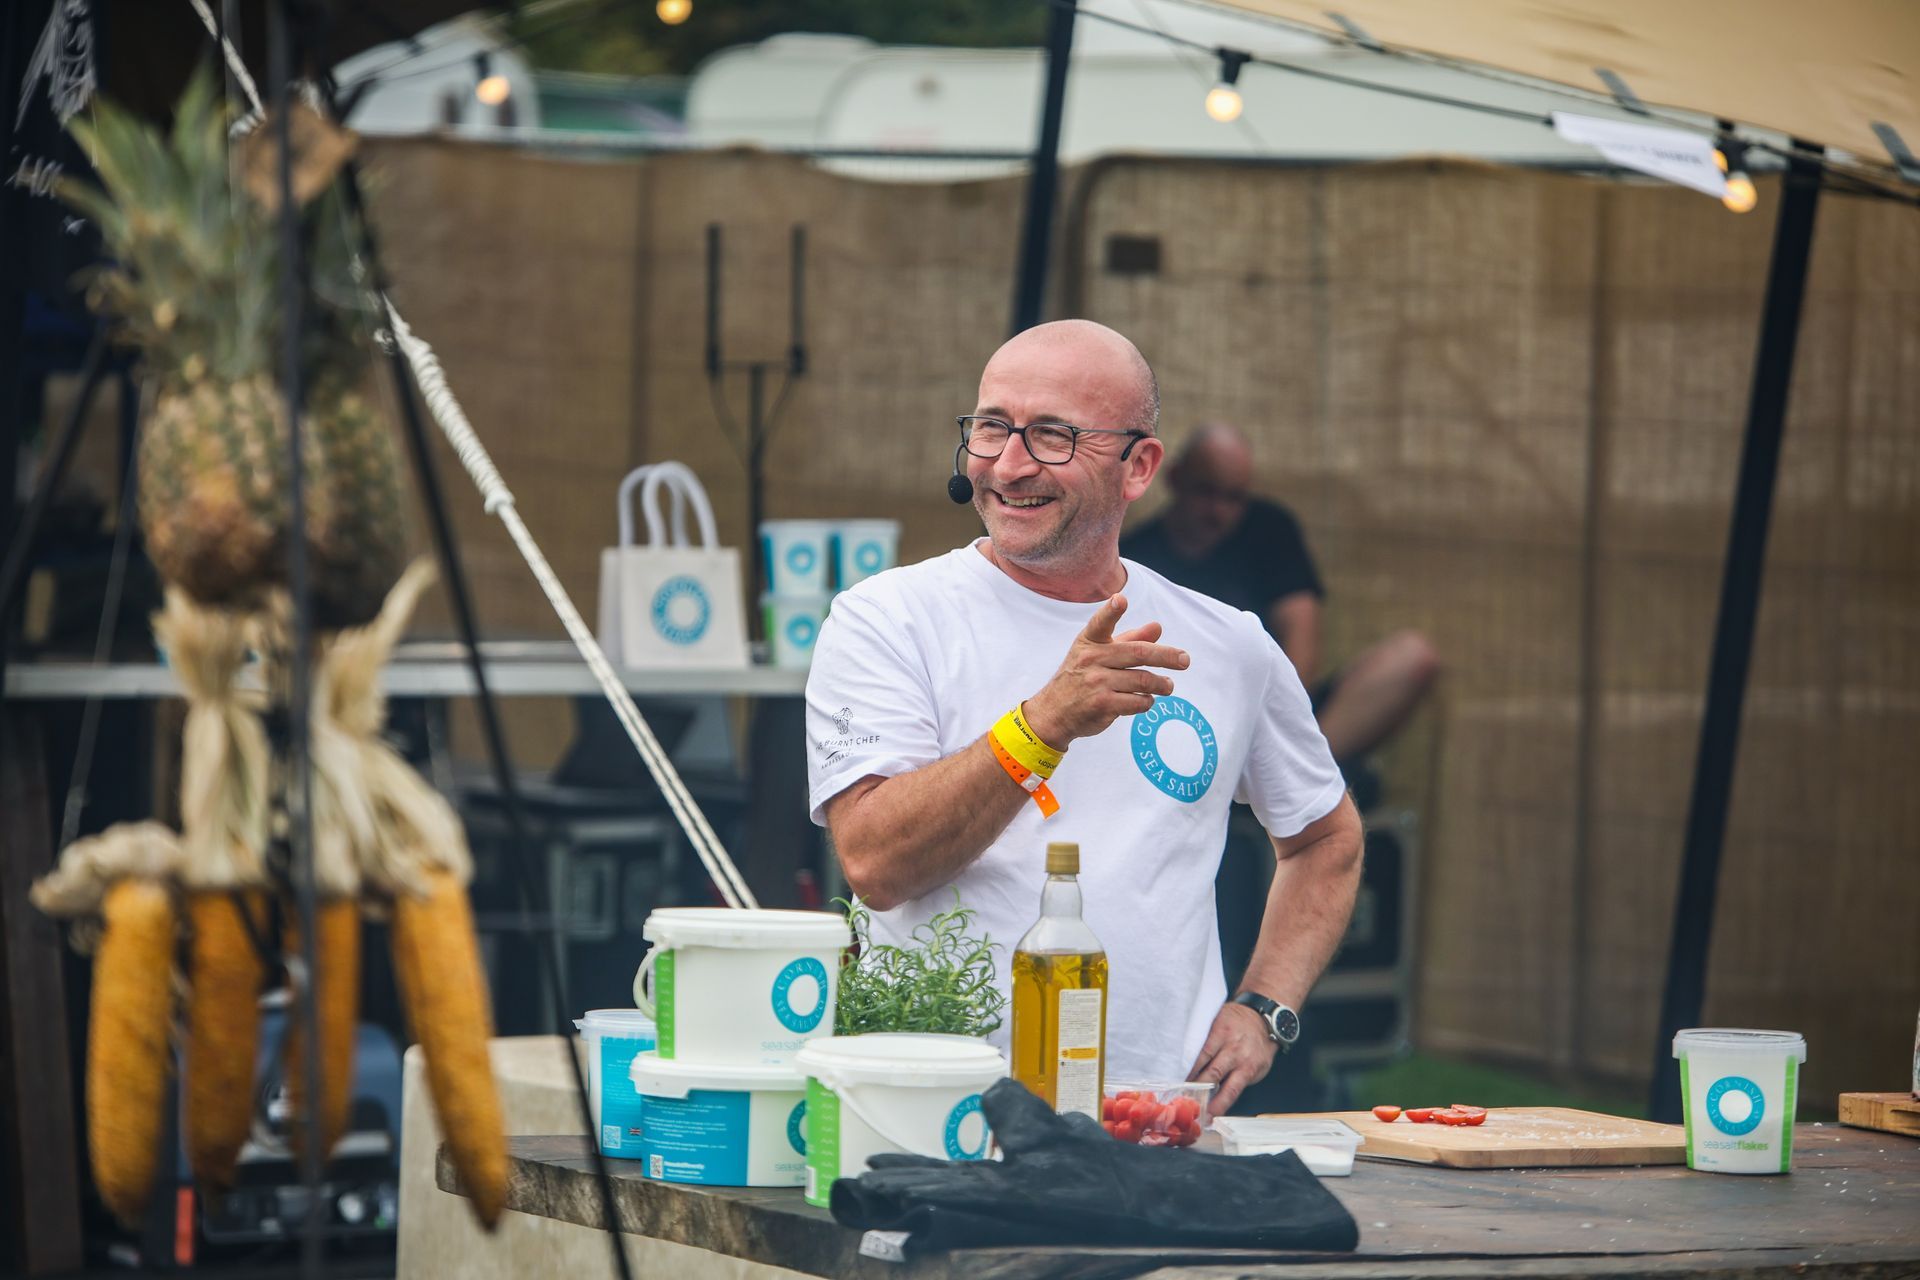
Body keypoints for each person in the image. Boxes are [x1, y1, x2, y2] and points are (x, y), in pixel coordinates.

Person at [805, 320, 1363, 1114]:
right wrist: (1041, 726)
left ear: (1139, 467)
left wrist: (1266, 1009)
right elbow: (874, 863)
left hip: (1157, 1121)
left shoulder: (1228, 643)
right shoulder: (887, 618)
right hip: (933, 1119)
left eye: (1053, 436)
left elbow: (1325, 836)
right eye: (992, 427)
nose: (1007, 464)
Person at [1120, 424, 1439, 776]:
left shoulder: (1270, 530)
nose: (1218, 512)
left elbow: (1302, 637)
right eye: (1206, 492)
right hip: (1185, 720)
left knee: (1411, 655)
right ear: (1175, 479)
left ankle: (1299, 776)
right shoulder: (1136, 557)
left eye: (1233, 498)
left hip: (1277, 712)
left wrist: (1279, 726)